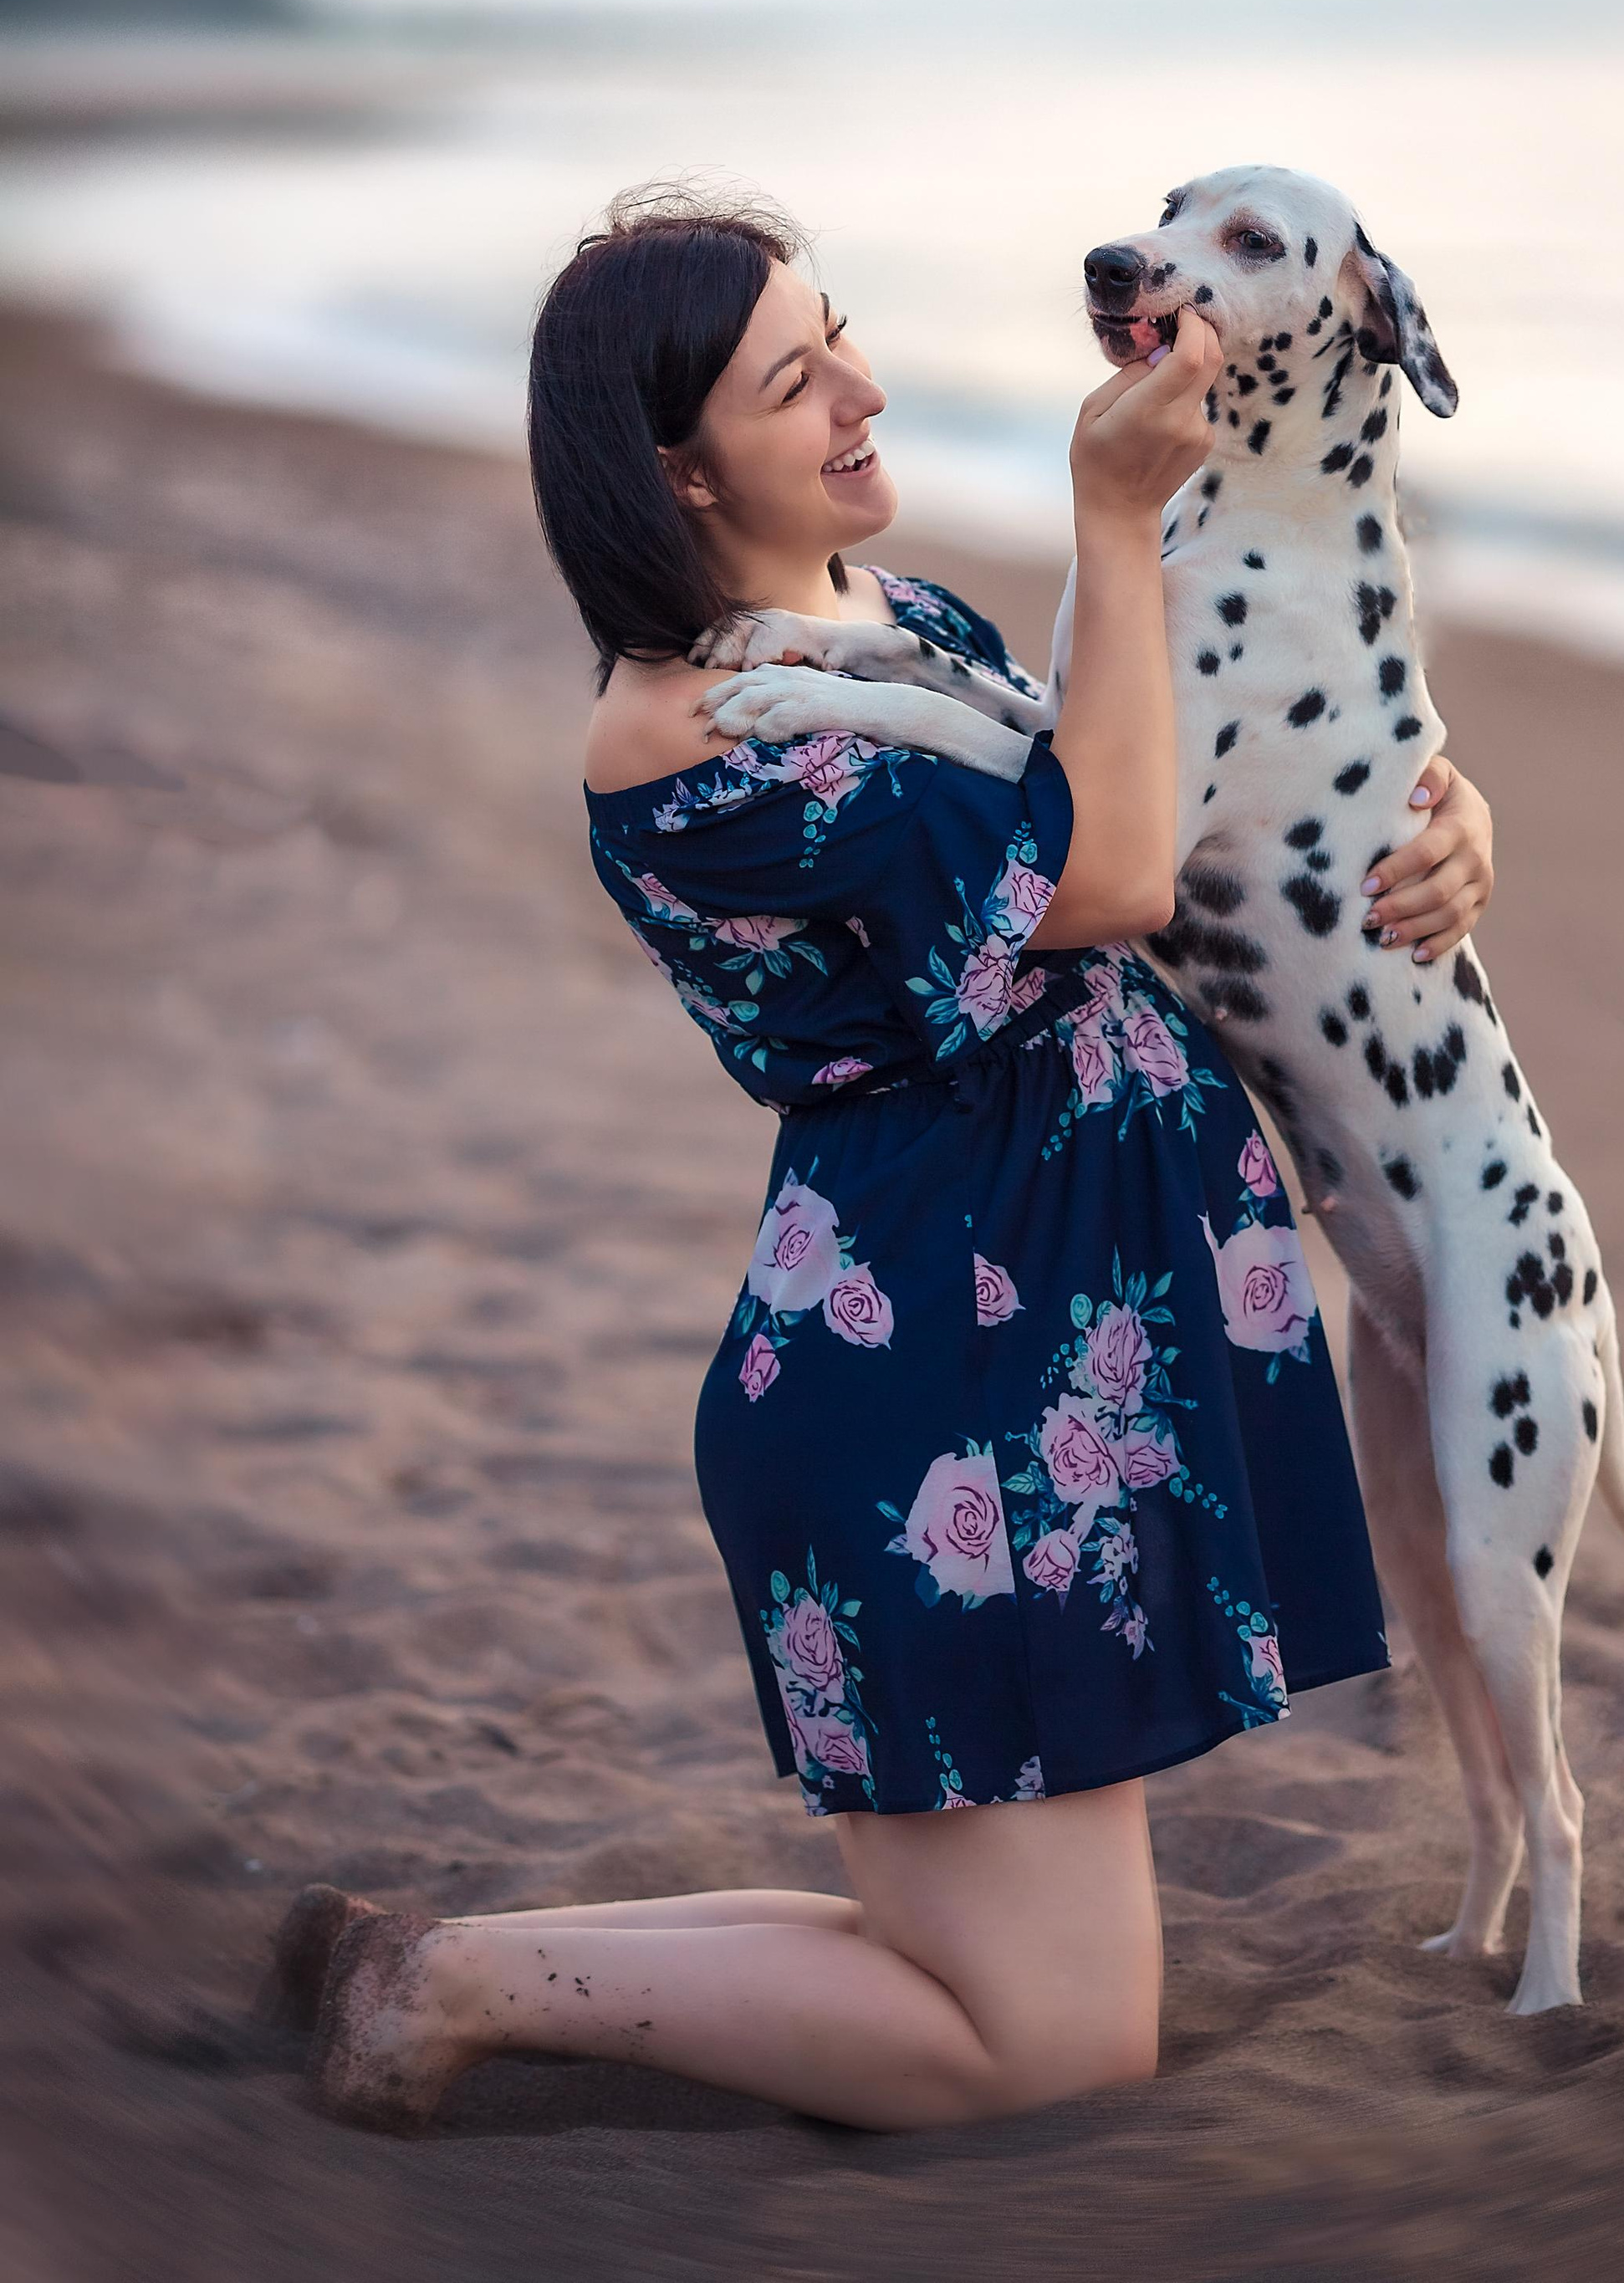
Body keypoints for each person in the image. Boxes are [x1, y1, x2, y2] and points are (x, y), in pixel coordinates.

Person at [295, 186, 1496, 2136]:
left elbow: (1187, 792)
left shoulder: (887, 620)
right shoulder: (686, 741)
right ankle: (451, 1978)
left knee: (994, 1976)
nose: (864, 385)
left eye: (841, 330)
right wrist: (1111, 519)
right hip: (939, 1387)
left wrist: (1453, 813)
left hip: (1043, 1346)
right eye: (797, 377)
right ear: (676, 470)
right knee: (1047, 2044)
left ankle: (444, 1958)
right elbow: (1102, 874)